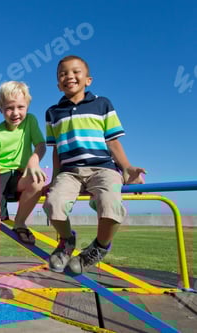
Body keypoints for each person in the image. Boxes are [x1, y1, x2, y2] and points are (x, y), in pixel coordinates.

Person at [43, 55, 146, 275]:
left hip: (103, 168)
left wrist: (127, 168)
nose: (69, 76)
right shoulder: (53, 112)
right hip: (69, 172)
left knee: (110, 204)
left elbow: (112, 141)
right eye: (63, 73)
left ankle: (99, 247)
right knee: (53, 203)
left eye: (75, 71)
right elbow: (56, 150)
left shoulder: (102, 104)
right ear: (58, 84)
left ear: (88, 80)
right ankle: (67, 241)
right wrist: (54, 179)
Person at [0, 81, 47, 312]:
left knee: (39, 179)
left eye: (20, 107)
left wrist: (34, 159)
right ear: (2, 109)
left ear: (27, 106)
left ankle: (20, 223)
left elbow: (41, 146)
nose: (16, 113)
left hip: (21, 175)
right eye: (10, 108)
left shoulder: (31, 122)